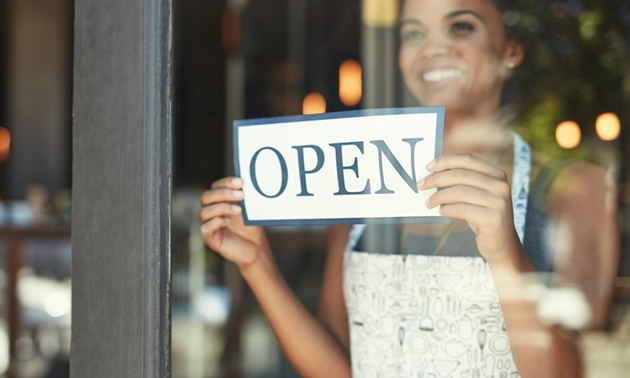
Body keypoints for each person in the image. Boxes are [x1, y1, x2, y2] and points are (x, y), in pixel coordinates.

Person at [199, 0, 619, 377]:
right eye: (413, 33)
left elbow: (576, 371)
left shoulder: (571, 191)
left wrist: (506, 255)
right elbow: (340, 369)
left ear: (512, 49)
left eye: (460, 26)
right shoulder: (361, 181)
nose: (432, 47)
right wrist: (257, 264)